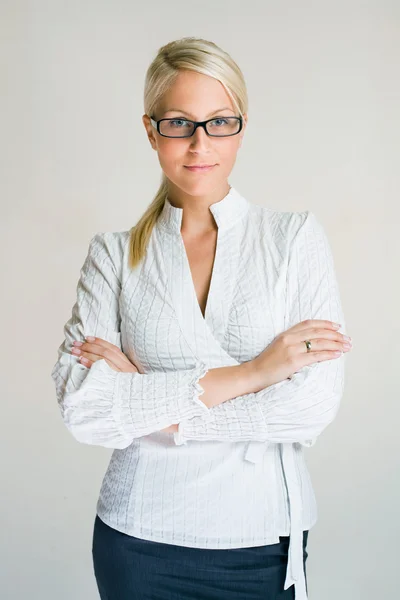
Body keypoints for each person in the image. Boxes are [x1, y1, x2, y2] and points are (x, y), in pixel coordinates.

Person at [51, 36, 352, 600]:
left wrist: (148, 404)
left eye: (219, 122)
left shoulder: (292, 240)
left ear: (241, 127)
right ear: (150, 130)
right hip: (137, 540)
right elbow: (84, 408)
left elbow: (312, 406)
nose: (198, 143)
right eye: (178, 123)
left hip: (263, 543)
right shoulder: (114, 255)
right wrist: (255, 373)